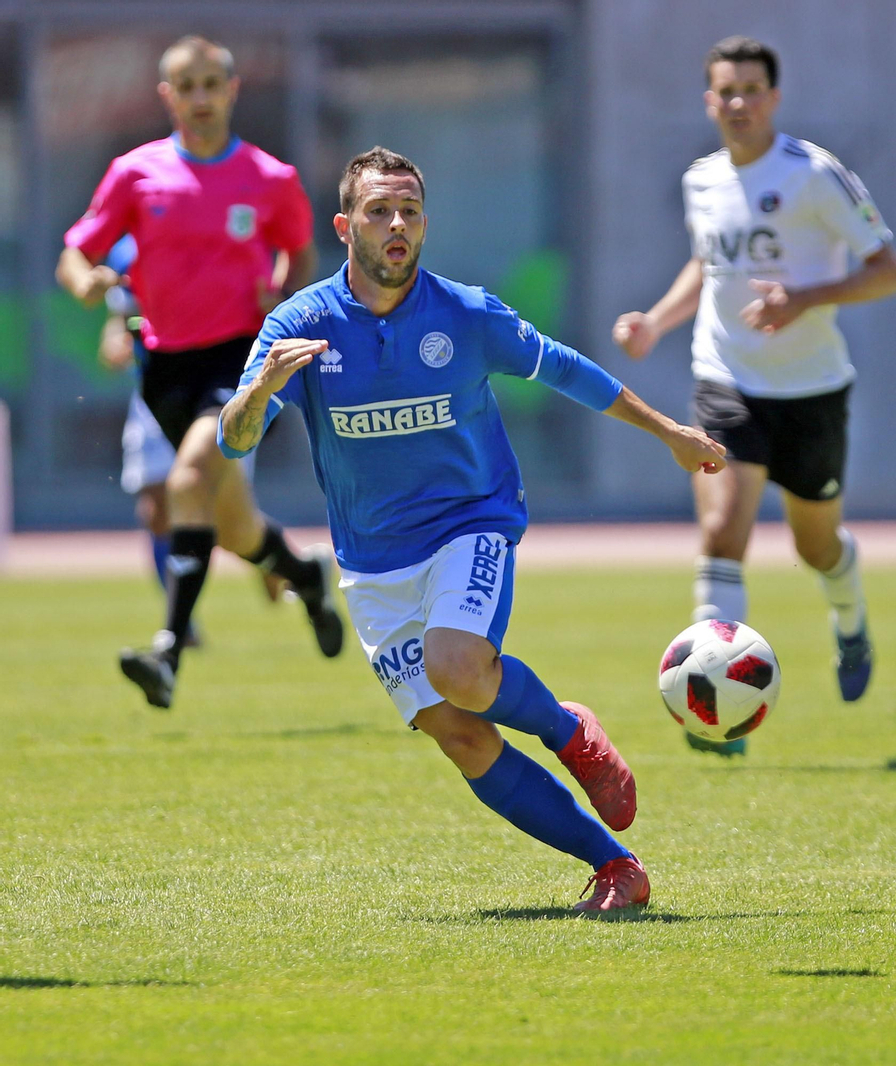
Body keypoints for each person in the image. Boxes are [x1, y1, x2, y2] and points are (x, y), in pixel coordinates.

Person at [219, 147, 727, 912]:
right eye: (380, 211)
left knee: (457, 665)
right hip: (370, 566)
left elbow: (566, 369)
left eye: (411, 212)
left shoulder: (464, 313)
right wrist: (259, 388)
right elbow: (234, 439)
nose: (398, 225)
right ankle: (615, 865)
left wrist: (671, 434)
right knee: (462, 736)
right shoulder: (302, 323)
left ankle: (565, 732)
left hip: (470, 524)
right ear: (344, 225)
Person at [612, 35, 896, 755]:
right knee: (722, 532)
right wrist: (656, 319)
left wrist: (804, 298)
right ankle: (719, 722)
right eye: (725, 90)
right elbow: (705, 266)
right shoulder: (701, 180)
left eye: (751, 89)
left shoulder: (815, 175)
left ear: (774, 98)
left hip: (811, 390)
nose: (738, 102)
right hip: (726, 378)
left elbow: (887, 270)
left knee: (816, 546)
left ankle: (850, 618)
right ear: (709, 101)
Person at [56, 35, 341, 709]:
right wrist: (86, 284)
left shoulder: (270, 179)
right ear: (169, 97)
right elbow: (77, 250)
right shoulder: (135, 173)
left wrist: (281, 298)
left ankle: (169, 653)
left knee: (185, 480)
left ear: (232, 90)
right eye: (188, 87)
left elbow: (297, 258)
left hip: (239, 360)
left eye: (213, 83)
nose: (202, 98)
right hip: (164, 369)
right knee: (234, 527)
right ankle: (306, 576)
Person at [95, 236, 285, 644]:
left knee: (222, 517)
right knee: (157, 509)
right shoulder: (130, 247)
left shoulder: (224, 229)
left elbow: (269, 291)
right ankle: (181, 624)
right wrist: (115, 339)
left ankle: (279, 560)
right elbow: (123, 316)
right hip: (155, 392)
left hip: (214, 394)